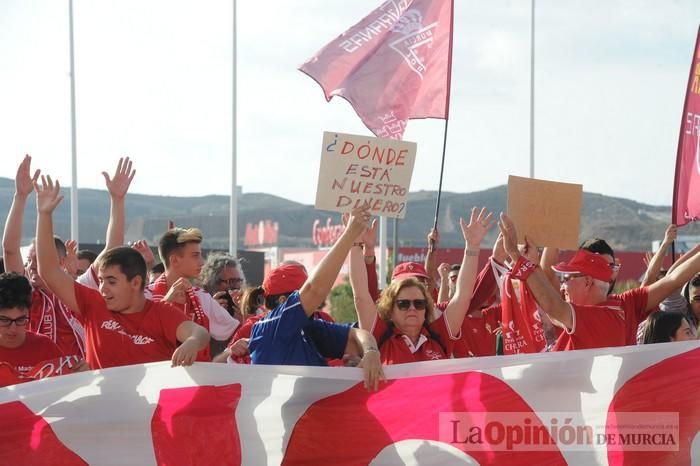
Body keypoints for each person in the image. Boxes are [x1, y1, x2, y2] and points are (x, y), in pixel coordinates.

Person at [33, 174, 209, 369]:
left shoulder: (161, 313)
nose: (102, 288)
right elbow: (49, 271)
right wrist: (44, 215)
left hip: (151, 401)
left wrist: (192, 342)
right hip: (103, 401)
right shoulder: (93, 306)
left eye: (111, 281)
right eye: (100, 280)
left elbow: (199, 333)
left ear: (135, 282)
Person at [248, 206, 384, 391]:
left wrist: (370, 352)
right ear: (282, 303)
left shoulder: (310, 326)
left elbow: (358, 334)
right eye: (299, 293)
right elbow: (315, 289)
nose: (309, 297)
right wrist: (350, 234)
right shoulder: (269, 328)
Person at [350, 207, 494, 364]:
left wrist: (472, 247)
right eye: (403, 304)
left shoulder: (439, 334)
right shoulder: (379, 335)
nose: (412, 308)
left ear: (426, 308)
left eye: (419, 304)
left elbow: (463, 297)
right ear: (390, 308)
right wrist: (355, 244)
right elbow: (361, 296)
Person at [147, 229, 239, 361]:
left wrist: (247, 316)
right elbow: (137, 336)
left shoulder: (202, 297)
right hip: (156, 379)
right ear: (174, 260)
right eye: (195, 255)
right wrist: (166, 303)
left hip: (196, 380)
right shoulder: (146, 296)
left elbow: (235, 332)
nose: (202, 262)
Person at [0, 272, 87, 386]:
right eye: (5, 320)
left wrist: (83, 374)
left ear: (29, 313)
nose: (13, 329)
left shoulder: (45, 346)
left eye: (21, 320)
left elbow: (67, 388)